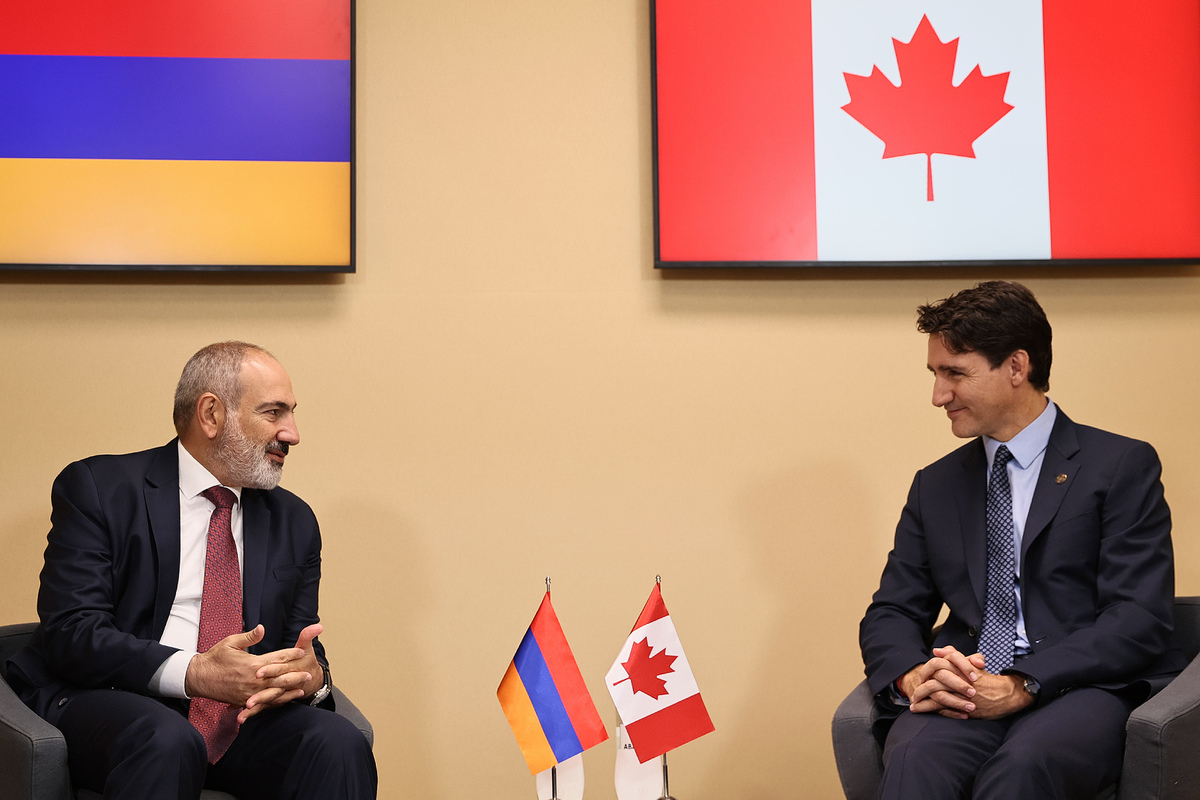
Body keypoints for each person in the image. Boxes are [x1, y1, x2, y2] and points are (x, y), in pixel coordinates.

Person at [6, 341, 377, 799]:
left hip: (237, 717)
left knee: (337, 742)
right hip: (112, 699)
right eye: (274, 413)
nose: (293, 433)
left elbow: (302, 643)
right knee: (166, 738)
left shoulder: (294, 521)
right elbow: (72, 632)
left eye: (292, 414)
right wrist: (196, 673)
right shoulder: (101, 489)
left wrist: (310, 676)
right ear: (211, 414)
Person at [860, 281, 1186, 799]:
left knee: (1022, 768)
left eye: (955, 373)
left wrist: (1023, 682)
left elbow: (1138, 617)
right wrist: (913, 675)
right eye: (935, 374)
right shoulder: (935, 485)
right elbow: (893, 610)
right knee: (913, 760)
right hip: (969, 685)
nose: (938, 395)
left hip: (1082, 685)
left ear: (1016, 366)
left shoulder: (1120, 465)